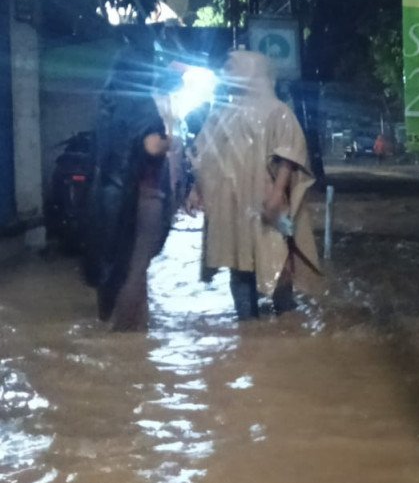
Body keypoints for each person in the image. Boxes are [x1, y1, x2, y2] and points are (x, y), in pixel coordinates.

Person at [188, 51, 322, 320]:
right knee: (240, 263)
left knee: (281, 258)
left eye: (233, 67)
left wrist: (276, 193)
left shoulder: (278, 112)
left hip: (271, 205)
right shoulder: (222, 112)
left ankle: (287, 323)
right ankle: (248, 332)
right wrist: (197, 189)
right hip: (234, 205)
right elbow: (205, 155)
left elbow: (290, 155)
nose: (227, 72)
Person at [84, 48, 173, 331]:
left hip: (106, 193)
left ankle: (112, 326)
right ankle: (129, 336)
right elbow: (152, 147)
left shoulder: (107, 103)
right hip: (139, 195)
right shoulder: (142, 103)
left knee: (113, 259)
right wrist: (171, 139)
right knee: (135, 268)